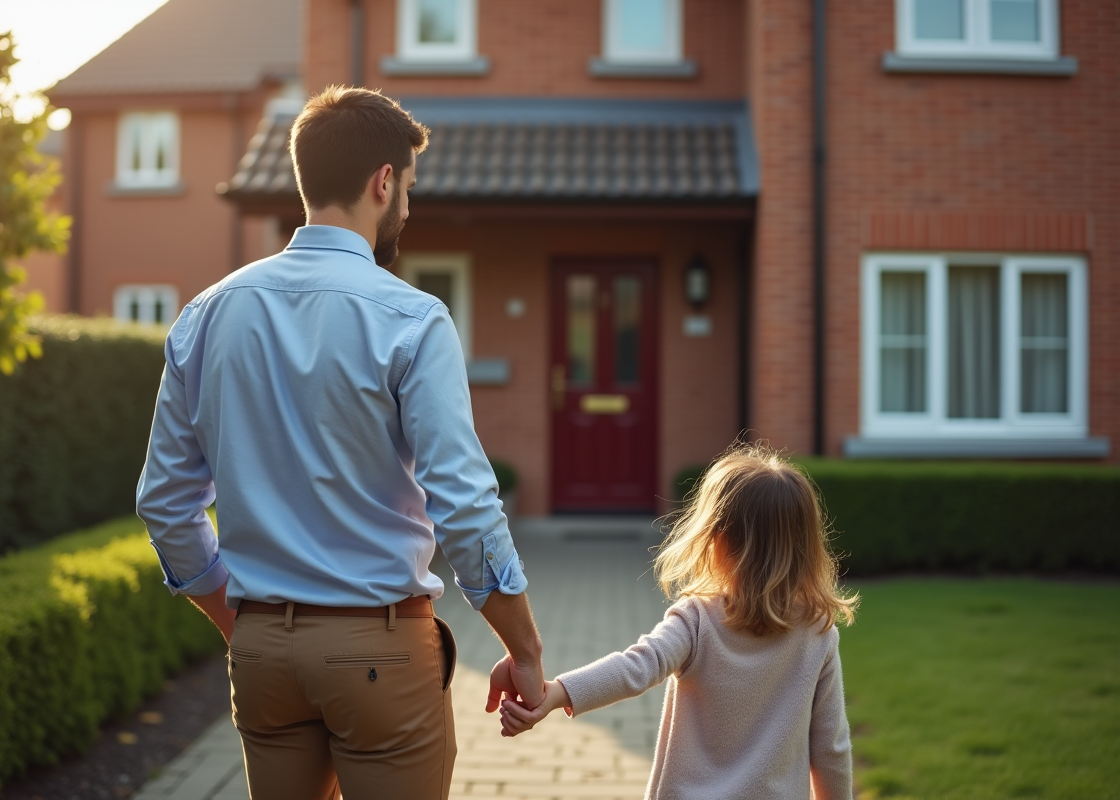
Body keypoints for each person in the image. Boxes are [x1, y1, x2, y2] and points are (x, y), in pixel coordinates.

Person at [135, 86, 545, 800]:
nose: (409, 209)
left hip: (263, 654)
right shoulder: (412, 319)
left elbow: (165, 504)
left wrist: (235, 616)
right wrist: (525, 649)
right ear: (383, 182)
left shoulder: (205, 315)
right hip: (379, 653)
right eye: (409, 189)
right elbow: (466, 507)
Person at [497, 443, 858, 800]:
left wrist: (553, 694)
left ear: (716, 541)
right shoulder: (817, 632)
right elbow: (831, 746)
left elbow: (635, 667)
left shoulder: (697, 619)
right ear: (807, 546)